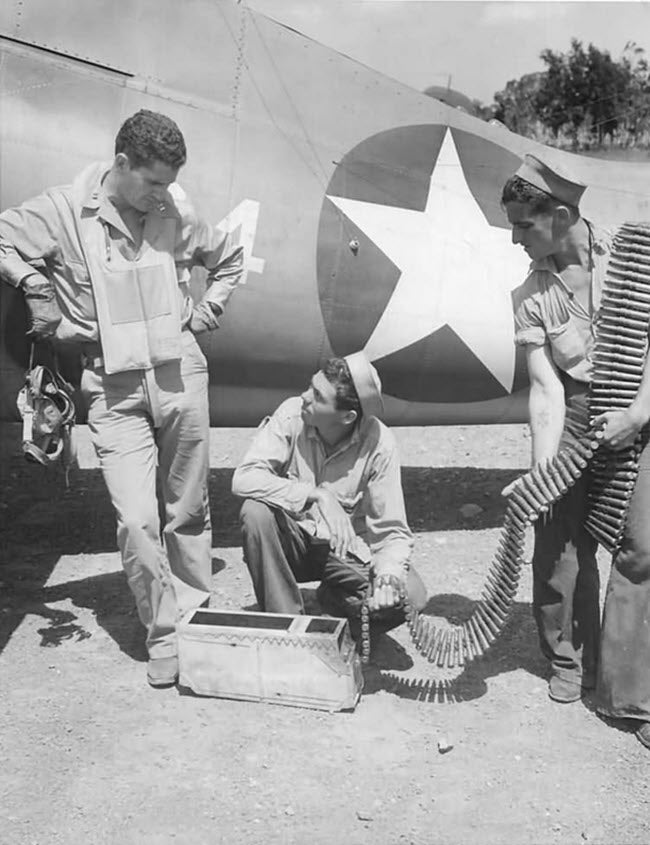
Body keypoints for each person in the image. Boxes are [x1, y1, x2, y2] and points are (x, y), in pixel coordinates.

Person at [0, 110, 244, 687]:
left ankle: (192, 623)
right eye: (153, 182)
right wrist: (33, 283)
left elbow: (228, 258)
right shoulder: (62, 211)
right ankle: (164, 634)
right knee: (136, 520)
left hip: (179, 374)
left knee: (187, 509)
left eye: (169, 183)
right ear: (121, 163)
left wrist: (207, 310)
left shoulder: (175, 209)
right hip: (109, 385)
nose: (163, 195)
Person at [502, 153, 650, 750]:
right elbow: (545, 388)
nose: (515, 239)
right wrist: (543, 473)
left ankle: (628, 690)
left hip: (640, 402)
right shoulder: (530, 293)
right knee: (560, 537)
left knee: (641, 546)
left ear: (560, 217)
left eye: (523, 225)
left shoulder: (634, 255)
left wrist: (637, 414)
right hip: (577, 411)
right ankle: (569, 657)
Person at [231, 352, 426, 643]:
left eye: (318, 396)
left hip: (343, 552)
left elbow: (392, 529)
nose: (305, 396)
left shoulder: (379, 444)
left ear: (347, 417)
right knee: (255, 512)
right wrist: (317, 495)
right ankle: (287, 632)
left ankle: (337, 607)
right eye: (311, 386)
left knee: (410, 596)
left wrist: (388, 578)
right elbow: (244, 478)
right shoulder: (292, 413)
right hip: (292, 542)